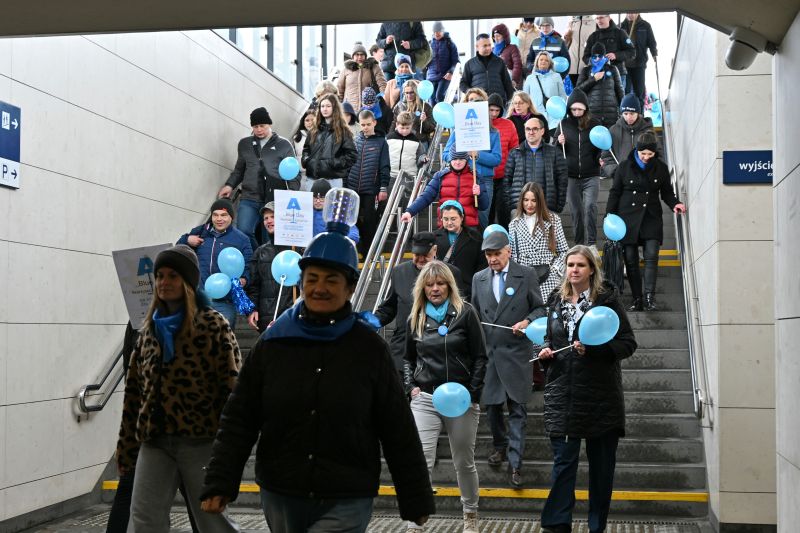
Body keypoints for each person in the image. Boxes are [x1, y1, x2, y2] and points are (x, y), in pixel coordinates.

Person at [199, 208, 435, 532]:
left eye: (331, 280)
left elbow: (398, 427)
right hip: (281, 491)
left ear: (350, 288)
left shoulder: (369, 349)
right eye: (312, 279)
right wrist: (220, 481)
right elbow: (240, 416)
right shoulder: (274, 342)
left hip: (348, 494)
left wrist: (415, 496)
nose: (320, 288)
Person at [116, 245, 241, 533]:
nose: (164, 282)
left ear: (188, 282)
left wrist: (228, 450)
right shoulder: (148, 331)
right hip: (155, 440)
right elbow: (134, 394)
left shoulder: (213, 325)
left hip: (200, 439)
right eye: (159, 276)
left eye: (172, 276)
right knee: (144, 519)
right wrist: (126, 448)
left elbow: (232, 389)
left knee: (212, 520)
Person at [537, 245, 638, 533]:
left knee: (601, 471)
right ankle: (557, 525)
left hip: (600, 397)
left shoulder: (607, 301)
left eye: (580, 265)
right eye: (570, 265)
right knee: (563, 465)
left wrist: (595, 351)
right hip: (563, 395)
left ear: (592, 269)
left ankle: (596, 526)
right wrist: (546, 352)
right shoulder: (555, 300)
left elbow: (628, 344)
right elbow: (551, 338)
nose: (574, 270)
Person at [404, 260, 487, 533]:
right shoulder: (415, 317)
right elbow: (408, 358)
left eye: (440, 283)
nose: (435, 289)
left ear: (449, 285)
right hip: (426, 398)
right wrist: (411, 387)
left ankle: (470, 513)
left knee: (463, 461)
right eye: (429, 285)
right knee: (420, 460)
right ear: (422, 288)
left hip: (460, 398)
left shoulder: (466, 312)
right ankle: (416, 520)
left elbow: (480, 356)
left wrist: (473, 393)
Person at [471, 230, 545, 488]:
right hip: (491, 354)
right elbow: (474, 314)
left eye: (496, 254)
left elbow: (540, 308)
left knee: (517, 410)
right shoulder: (478, 278)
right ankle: (500, 445)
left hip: (516, 354)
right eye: (488, 255)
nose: (492, 259)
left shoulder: (526, 274)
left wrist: (527, 321)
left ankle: (515, 464)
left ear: (508, 251)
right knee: (492, 408)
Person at [606, 131, 686, 311]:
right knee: (631, 260)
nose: (647, 157)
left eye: (650, 154)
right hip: (627, 218)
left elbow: (667, 192)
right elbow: (615, 192)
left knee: (652, 256)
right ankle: (637, 299)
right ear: (637, 150)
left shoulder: (660, 168)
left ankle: (650, 297)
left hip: (651, 216)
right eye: (643, 153)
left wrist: (675, 203)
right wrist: (609, 215)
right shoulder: (624, 166)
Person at [374, 231, 462, 375]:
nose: (421, 259)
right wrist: (370, 322)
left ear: (435, 250)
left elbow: (460, 309)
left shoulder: (451, 273)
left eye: (425, 254)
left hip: (438, 351)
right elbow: (389, 308)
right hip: (403, 350)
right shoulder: (399, 272)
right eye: (417, 254)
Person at [219, 107, 299, 250]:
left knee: (269, 237)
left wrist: (292, 191)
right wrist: (230, 185)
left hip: (273, 199)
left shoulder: (283, 144)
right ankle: (258, 255)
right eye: (255, 126)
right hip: (249, 196)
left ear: (269, 124)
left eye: (262, 126)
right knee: (243, 231)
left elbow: (294, 172)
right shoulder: (244, 144)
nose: (259, 129)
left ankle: (266, 258)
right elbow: (239, 170)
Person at [177, 199, 253, 327]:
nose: (219, 219)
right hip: (199, 299)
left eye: (224, 215)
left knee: (223, 337)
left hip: (225, 302)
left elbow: (249, 265)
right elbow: (178, 251)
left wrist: (245, 279)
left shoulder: (242, 239)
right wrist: (186, 239)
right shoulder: (200, 232)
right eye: (215, 215)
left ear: (231, 217)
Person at [443, 89, 503, 227]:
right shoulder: (459, 131)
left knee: (483, 218)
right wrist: (461, 154)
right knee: (462, 217)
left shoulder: (494, 133)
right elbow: (445, 155)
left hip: (485, 180)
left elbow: (497, 159)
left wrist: (478, 155)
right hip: (462, 178)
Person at [508, 182, 569, 301]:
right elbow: (513, 255)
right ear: (521, 201)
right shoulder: (513, 224)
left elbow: (564, 251)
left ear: (540, 201)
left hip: (549, 279)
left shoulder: (553, 220)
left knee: (548, 310)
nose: (529, 204)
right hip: (524, 279)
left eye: (534, 200)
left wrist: (555, 270)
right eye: (526, 200)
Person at [557, 88, 603, 249]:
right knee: (576, 211)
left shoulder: (595, 124)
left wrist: (600, 159)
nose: (576, 112)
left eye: (580, 109)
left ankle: (591, 244)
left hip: (591, 174)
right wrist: (558, 142)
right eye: (573, 109)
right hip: (570, 175)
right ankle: (579, 244)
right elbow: (556, 151)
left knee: (590, 206)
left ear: (586, 108)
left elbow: (601, 148)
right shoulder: (563, 124)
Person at [401, 150, 488, 229]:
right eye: (454, 159)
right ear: (450, 159)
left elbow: (484, 206)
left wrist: (479, 194)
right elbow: (426, 196)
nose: (458, 162)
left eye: (461, 159)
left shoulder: (476, 177)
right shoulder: (440, 176)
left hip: (468, 227)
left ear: (466, 160)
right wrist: (410, 212)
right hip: (446, 226)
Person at [346, 109, 390, 257]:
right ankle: (356, 249)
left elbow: (385, 166)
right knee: (352, 220)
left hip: (371, 189)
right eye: (363, 124)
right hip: (352, 188)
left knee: (370, 222)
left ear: (374, 123)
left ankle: (368, 254)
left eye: (368, 124)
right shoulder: (355, 140)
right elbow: (348, 163)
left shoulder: (381, 142)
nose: (365, 127)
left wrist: (383, 188)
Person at [505, 116, 568, 215]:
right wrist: (512, 204)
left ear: (542, 131)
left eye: (535, 129)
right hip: (520, 208)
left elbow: (562, 180)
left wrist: (558, 205)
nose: (531, 132)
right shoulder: (515, 153)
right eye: (528, 129)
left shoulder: (555, 152)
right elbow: (507, 181)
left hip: (547, 207)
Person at [245, 202, 294, 332]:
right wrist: (252, 309)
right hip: (266, 319)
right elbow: (254, 286)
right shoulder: (260, 252)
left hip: (292, 318)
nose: (269, 221)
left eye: (273, 216)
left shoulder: (297, 250)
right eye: (266, 218)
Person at [301, 93, 358, 191]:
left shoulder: (343, 131)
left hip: (333, 180)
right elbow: (306, 149)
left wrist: (333, 163)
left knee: (331, 202)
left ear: (334, 108)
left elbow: (352, 156)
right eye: (322, 106)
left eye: (328, 106)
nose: (325, 109)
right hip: (311, 179)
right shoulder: (314, 129)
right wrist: (306, 161)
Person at [433, 200, 486, 301]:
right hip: (442, 290)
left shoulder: (474, 237)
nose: (449, 222)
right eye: (446, 219)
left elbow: (482, 264)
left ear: (462, 217)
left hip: (467, 290)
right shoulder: (434, 237)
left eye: (453, 219)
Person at [600, 92, 655, 178]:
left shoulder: (648, 130)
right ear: (621, 114)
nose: (629, 117)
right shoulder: (613, 131)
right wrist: (616, 171)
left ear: (638, 113)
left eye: (632, 113)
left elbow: (658, 154)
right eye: (625, 114)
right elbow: (606, 157)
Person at [386, 111, 428, 211]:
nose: (404, 131)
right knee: (389, 205)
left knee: (406, 205)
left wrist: (423, 158)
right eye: (402, 128)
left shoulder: (416, 140)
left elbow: (420, 154)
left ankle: (405, 221)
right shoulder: (389, 138)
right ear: (397, 125)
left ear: (411, 126)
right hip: (391, 176)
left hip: (409, 177)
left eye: (407, 128)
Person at [488, 93, 520, 227]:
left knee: (504, 211)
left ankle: (506, 238)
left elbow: (514, 149)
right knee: (488, 212)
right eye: (491, 110)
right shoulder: (480, 123)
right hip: (485, 176)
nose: (494, 113)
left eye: (497, 110)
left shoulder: (508, 124)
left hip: (504, 176)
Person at [577, 42, 624, 127]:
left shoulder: (613, 69)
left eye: (600, 56)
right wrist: (593, 79)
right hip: (592, 115)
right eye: (594, 56)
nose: (597, 59)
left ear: (604, 56)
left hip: (611, 115)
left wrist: (623, 110)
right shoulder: (586, 70)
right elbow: (578, 91)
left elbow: (619, 91)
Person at [582, 14, 636, 90]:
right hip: (597, 76)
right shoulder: (593, 36)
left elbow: (632, 52)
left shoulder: (620, 33)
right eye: (597, 18)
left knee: (619, 97)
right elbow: (585, 57)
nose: (599, 20)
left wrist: (616, 55)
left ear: (609, 18)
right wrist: (593, 60)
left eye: (601, 17)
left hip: (618, 74)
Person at [460, 33, 515, 104]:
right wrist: (472, 93)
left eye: (489, 45)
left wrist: (510, 102)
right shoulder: (469, 64)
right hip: (478, 103)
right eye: (485, 46)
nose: (488, 48)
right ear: (477, 47)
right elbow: (463, 84)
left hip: (498, 104)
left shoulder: (500, 62)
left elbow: (507, 83)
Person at [523, 52, 568, 132]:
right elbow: (525, 98)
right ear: (537, 62)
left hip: (554, 117)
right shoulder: (530, 78)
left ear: (550, 64)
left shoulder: (556, 76)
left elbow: (562, 95)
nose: (543, 61)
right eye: (541, 60)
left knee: (554, 137)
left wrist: (560, 110)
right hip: (536, 116)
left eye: (546, 60)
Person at [620, 14, 658, 109]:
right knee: (625, 91)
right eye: (628, 12)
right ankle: (625, 114)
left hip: (639, 64)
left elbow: (651, 42)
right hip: (624, 65)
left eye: (632, 12)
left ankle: (640, 114)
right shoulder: (620, 26)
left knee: (639, 92)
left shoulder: (645, 26)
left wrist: (654, 53)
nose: (630, 14)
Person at [337, 41, 387, 111]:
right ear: (353, 56)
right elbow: (339, 90)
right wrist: (339, 106)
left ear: (365, 56)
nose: (359, 57)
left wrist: (382, 100)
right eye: (357, 55)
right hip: (350, 110)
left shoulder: (373, 67)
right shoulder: (346, 70)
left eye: (362, 54)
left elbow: (382, 84)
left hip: (370, 109)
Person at [427, 22, 460, 104]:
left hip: (445, 76)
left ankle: (444, 111)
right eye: (434, 31)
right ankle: (433, 113)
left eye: (438, 31)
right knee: (431, 99)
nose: (436, 33)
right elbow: (424, 61)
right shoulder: (429, 44)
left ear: (443, 31)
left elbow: (456, 62)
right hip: (431, 76)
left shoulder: (450, 44)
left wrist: (451, 72)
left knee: (439, 96)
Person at [564, 15, 596, 86]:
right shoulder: (571, 23)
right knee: (575, 89)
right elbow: (567, 43)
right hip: (572, 64)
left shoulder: (594, 23)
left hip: (586, 64)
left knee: (586, 88)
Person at [491, 23, 523, 89]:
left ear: (505, 36)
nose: (496, 38)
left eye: (498, 36)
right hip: (494, 82)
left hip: (508, 81)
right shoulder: (492, 50)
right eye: (494, 36)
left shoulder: (512, 48)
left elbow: (517, 64)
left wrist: (514, 80)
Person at [292, 110, 316, 182]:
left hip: (317, 175)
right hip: (302, 176)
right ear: (303, 122)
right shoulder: (296, 138)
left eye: (313, 120)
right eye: (307, 120)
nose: (310, 122)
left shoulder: (322, 136)